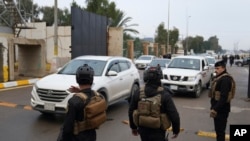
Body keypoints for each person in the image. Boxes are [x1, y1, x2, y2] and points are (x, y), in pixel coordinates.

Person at [128, 65, 180, 141]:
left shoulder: (138, 92)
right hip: (158, 131)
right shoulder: (165, 94)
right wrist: (176, 130)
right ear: (160, 77)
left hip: (143, 130)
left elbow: (131, 111)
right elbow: (174, 114)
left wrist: (133, 128)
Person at [58, 64, 100, 141]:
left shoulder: (74, 101)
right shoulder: (97, 96)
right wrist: (81, 91)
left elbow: (67, 129)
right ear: (92, 79)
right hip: (91, 137)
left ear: (77, 79)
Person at [209, 60, 235, 141]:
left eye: (217, 68)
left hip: (221, 110)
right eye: (215, 68)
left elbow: (223, 97)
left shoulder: (225, 80)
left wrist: (215, 109)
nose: (215, 70)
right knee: (219, 131)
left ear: (223, 68)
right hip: (219, 109)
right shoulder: (220, 78)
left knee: (220, 132)